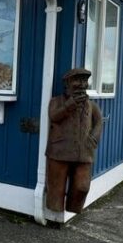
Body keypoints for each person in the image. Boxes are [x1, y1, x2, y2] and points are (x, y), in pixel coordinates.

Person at [45, 68, 103, 214]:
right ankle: (55, 208)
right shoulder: (56, 101)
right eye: (78, 80)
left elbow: (99, 122)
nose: (82, 84)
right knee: (56, 187)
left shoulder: (91, 105)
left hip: (84, 152)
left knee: (82, 187)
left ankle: (73, 207)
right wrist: (70, 104)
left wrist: (93, 139)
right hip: (59, 151)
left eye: (85, 81)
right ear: (67, 83)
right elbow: (54, 116)